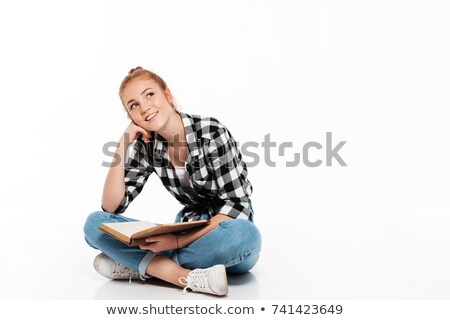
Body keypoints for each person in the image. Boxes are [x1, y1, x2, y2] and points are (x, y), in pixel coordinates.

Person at [83, 67, 262, 296]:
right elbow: (112, 206)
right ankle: (182, 276)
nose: (144, 106)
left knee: (247, 236)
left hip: (221, 231)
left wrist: (176, 241)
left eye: (149, 94)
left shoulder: (211, 132)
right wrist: (123, 143)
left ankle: (144, 267)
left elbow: (238, 206)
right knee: (95, 223)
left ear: (167, 95)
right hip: (183, 230)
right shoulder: (145, 146)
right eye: (133, 105)